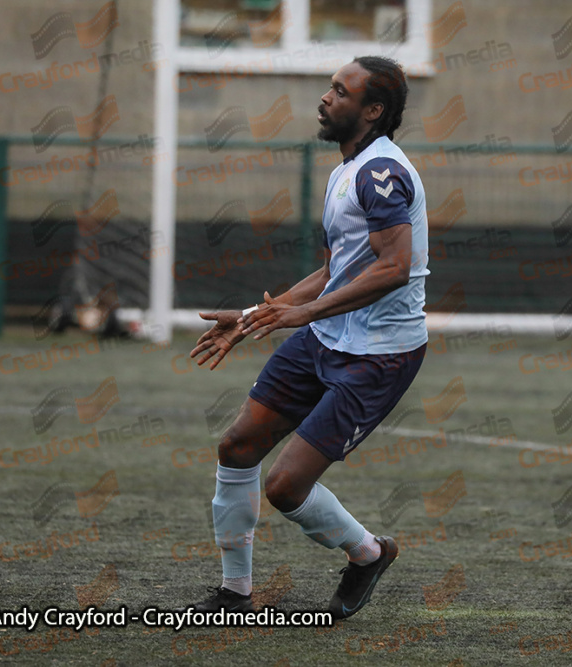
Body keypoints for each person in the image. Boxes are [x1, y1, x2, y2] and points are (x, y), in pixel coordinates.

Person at [184, 55, 429, 620]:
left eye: (340, 92)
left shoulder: (379, 173)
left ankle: (368, 554)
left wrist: (306, 313)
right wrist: (251, 317)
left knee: (286, 487)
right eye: (329, 88)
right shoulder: (345, 169)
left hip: (377, 355)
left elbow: (395, 267)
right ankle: (234, 593)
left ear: (373, 111)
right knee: (236, 446)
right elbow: (332, 272)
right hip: (325, 337)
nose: (325, 98)